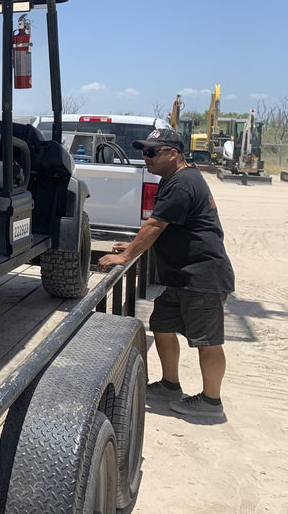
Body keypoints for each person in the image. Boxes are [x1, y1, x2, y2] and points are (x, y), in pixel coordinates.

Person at [98, 128, 234, 418]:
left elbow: (155, 225)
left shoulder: (181, 183)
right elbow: (164, 225)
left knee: (207, 341)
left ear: (173, 154)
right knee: (161, 323)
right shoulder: (177, 179)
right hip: (182, 277)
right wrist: (134, 244)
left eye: (151, 152)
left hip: (202, 276)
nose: (145, 158)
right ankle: (171, 385)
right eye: (143, 152)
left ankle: (212, 403)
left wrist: (125, 255)